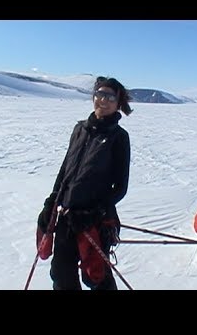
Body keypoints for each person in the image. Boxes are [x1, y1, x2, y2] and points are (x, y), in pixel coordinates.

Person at [36, 76, 133, 290]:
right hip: (67, 216)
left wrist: (95, 212)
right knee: (61, 275)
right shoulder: (79, 129)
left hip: (96, 221)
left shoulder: (119, 137)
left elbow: (120, 187)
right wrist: (50, 204)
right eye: (100, 94)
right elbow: (65, 172)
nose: (103, 100)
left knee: (96, 276)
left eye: (110, 96)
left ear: (118, 103)